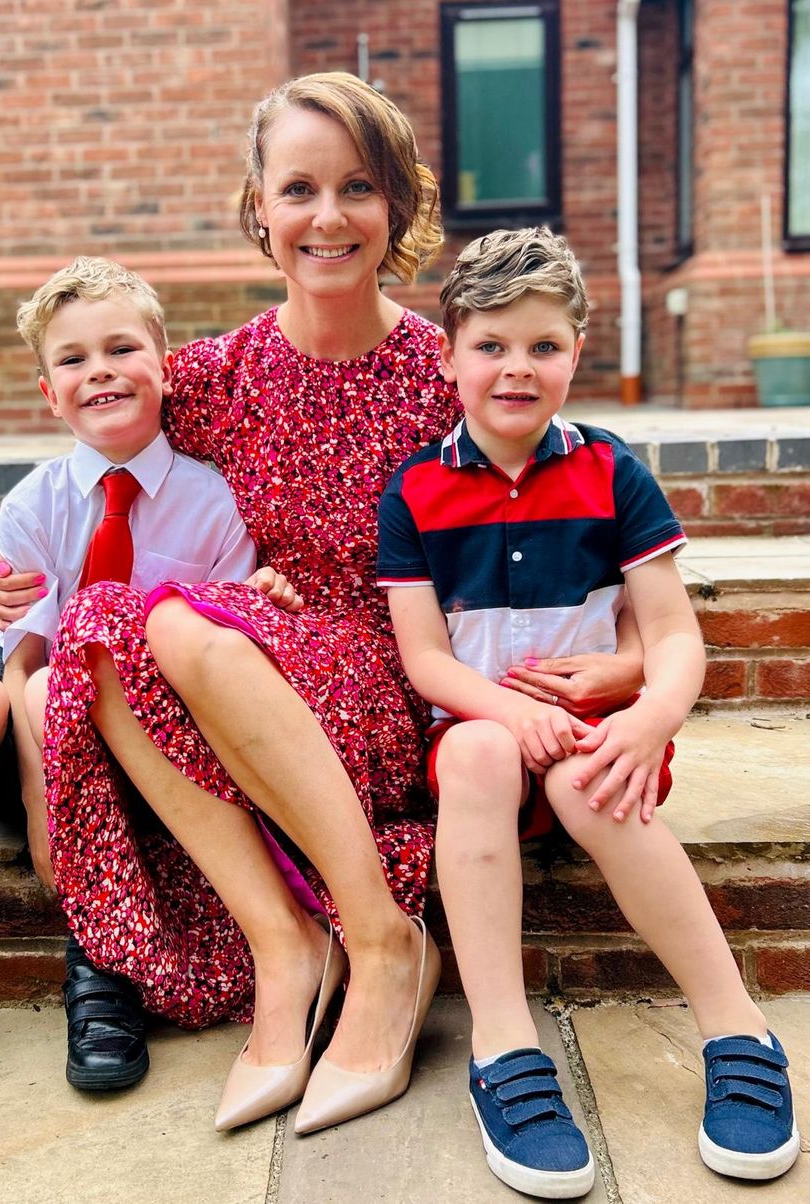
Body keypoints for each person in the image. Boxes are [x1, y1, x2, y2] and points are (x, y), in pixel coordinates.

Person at [0, 73, 644, 1135]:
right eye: (297, 188)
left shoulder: (450, 370)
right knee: (101, 629)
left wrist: (633, 655)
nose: (326, 217)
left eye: (356, 188)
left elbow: (583, 506)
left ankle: (381, 942)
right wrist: (7, 557)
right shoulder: (216, 375)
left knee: (164, 619)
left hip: (401, 677)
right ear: (259, 207)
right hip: (258, 660)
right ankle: (283, 944)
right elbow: (91, 435)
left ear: (397, 206)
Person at [378, 227, 800, 1196]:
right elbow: (422, 659)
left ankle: (734, 1023)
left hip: (591, 736)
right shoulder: (413, 491)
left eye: (541, 346)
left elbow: (674, 634)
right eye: (489, 345)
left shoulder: (612, 473)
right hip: (478, 729)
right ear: (446, 357)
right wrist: (501, 713)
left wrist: (649, 715)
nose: (514, 368)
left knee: (582, 774)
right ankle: (502, 1046)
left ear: (574, 354)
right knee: (481, 754)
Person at [0, 256, 308, 1113]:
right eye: (72, 359)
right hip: (29, 726)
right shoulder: (33, 505)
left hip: (149, 741)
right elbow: (26, 666)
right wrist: (47, 801)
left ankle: (101, 961)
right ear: (49, 395)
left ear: (165, 369)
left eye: (122, 347)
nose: (99, 370)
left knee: (102, 679)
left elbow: (218, 655)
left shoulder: (214, 505)